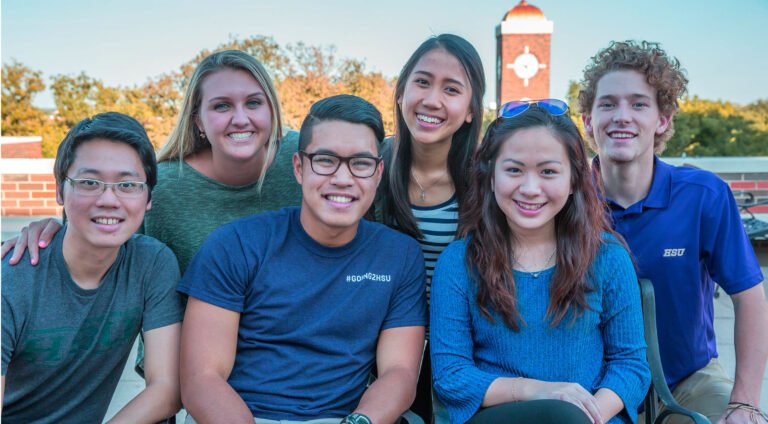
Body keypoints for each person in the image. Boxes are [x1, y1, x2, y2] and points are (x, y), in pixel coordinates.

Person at [1, 49, 303, 374]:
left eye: (254, 103)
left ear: (272, 110)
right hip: (198, 374)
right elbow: (95, 229)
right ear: (198, 119)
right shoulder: (163, 186)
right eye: (222, 105)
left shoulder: (308, 163)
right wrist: (50, 231)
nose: (240, 118)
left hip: (305, 365)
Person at [179, 95, 427, 423]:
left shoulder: (399, 256)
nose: (343, 178)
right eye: (325, 160)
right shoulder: (235, 245)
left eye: (361, 163)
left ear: (378, 173)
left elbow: (399, 374)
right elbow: (202, 379)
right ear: (299, 167)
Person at [578, 40, 768, 423]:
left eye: (639, 104)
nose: (622, 116)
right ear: (587, 120)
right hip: (592, 385)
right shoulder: (565, 197)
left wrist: (744, 402)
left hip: (688, 380)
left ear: (662, 120)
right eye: (608, 104)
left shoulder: (703, 196)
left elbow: (750, 298)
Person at [430, 101, 650, 424]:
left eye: (548, 171)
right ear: (491, 176)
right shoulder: (459, 262)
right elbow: (451, 376)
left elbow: (630, 366)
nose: (530, 189)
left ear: (574, 179)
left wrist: (587, 414)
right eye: (514, 170)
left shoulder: (608, 257)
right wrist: (537, 391)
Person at [1, 112, 184, 423]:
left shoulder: (151, 264)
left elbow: (166, 389)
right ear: (60, 191)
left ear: (149, 197)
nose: (109, 199)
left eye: (127, 184)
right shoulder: (13, 278)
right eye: (89, 182)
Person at [373, 33, 485, 421]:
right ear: (402, 91)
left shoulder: (490, 182)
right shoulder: (367, 168)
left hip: (464, 351)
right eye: (422, 82)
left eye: (451, 89)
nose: (432, 99)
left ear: (471, 110)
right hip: (375, 350)